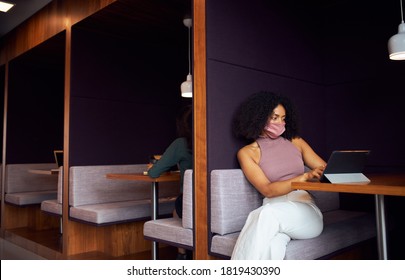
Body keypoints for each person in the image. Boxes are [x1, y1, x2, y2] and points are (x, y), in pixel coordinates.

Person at [231, 91, 326, 260]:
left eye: (283, 118)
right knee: (273, 246)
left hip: (305, 212)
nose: (280, 123)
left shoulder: (296, 141)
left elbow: (324, 169)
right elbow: (267, 190)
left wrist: (318, 174)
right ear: (259, 117)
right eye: (274, 118)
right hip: (274, 210)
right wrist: (301, 178)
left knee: (264, 214)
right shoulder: (247, 153)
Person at [147, 104, 193, 260]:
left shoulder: (181, 143)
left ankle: (182, 255)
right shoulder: (214, 142)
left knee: (178, 207)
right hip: (213, 204)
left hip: (189, 205)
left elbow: (154, 173)